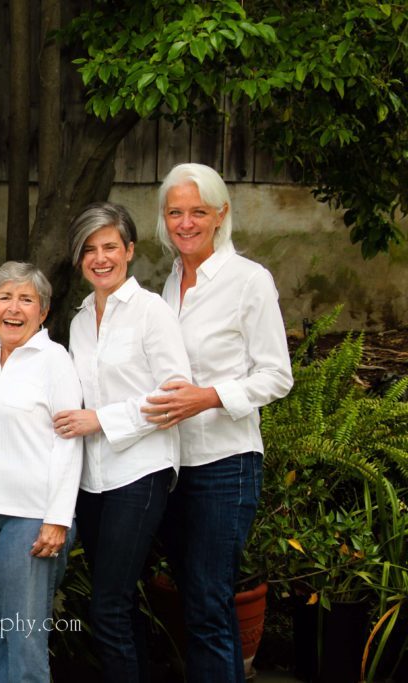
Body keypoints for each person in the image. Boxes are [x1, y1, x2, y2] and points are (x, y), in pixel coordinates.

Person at [141, 163, 293, 682]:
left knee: (208, 605)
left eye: (198, 212)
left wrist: (208, 397)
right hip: (172, 466)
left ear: (221, 214)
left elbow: (276, 376)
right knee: (192, 601)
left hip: (225, 465)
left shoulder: (249, 281)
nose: (186, 223)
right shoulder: (167, 284)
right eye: (175, 212)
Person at [52, 203, 191, 682]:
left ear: (130, 251)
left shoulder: (152, 312)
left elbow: (175, 394)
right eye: (89, 249)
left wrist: (100, 420)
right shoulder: (80, 319)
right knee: (122, 603)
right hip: (94, 480)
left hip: (141, 470)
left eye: (110, 246)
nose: (100, 257)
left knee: (108, 606)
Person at [0, 261, 83, 683]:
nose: (14, 308)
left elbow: (70, 440)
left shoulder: (55, 360)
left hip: (31, 514)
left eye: (26, 299)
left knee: (25, 632)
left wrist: (57, 517)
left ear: (43, 312)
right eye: (5, 297)